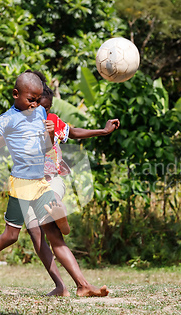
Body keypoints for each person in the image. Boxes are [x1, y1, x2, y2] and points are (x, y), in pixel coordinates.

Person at [0, 70, 108, 297]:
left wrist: (50, 135)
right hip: (22, 184)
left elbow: (46, 149)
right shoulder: (8, 119)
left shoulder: (40, 112)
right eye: (30, 100)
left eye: (38, 100)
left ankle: (83, 285)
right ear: (16, 94)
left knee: (55, 235)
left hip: (41, 183)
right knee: (10, 236)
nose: (35, 105)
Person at [25, 83, 120, 296]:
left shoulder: (52, 121)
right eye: (40, 106)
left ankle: (55, 206)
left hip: (51, 180)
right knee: (40, 236)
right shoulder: (21, 123)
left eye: (47, 108)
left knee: (51, 212)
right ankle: (66, 286)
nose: (44, 112)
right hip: (28, 185)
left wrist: (103, 131)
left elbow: (73, 132)